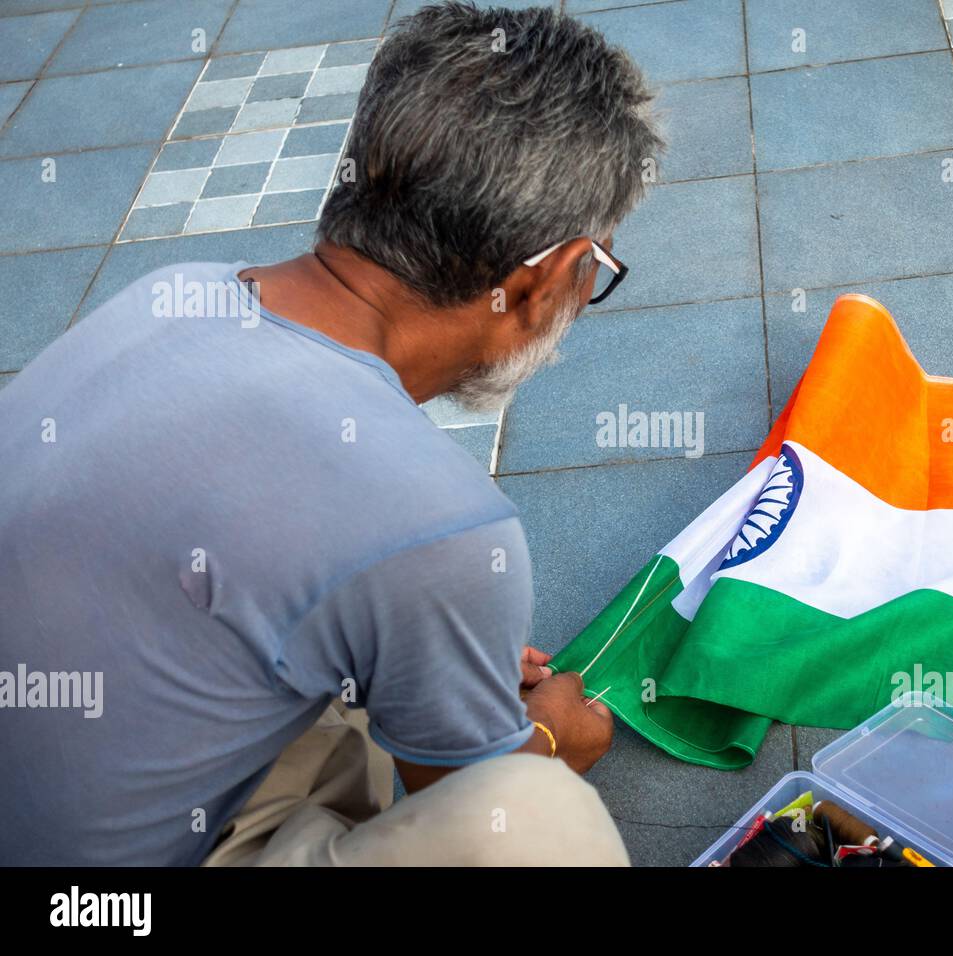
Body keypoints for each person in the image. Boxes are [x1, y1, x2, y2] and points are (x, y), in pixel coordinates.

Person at [0, 2, 662, 866]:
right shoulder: (440, 527)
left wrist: (432, 637)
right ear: (540, 283)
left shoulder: (174, 290)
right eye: (595, 270)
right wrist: (548, 746)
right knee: (541, 823)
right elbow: (472, 802)